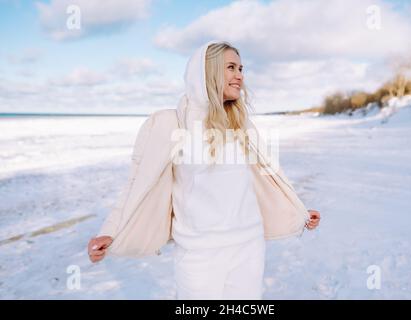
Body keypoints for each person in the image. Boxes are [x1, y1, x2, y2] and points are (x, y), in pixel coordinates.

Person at [88, 40, 321, 300]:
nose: (240, 76)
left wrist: (298, 209)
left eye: (241, 68)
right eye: (231, 67)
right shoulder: (170, 123)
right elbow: (137, 182)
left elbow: (270, 174)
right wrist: (109, 231)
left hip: (249, 246)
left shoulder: (241, 124)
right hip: (199, 252)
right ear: (206, 73)